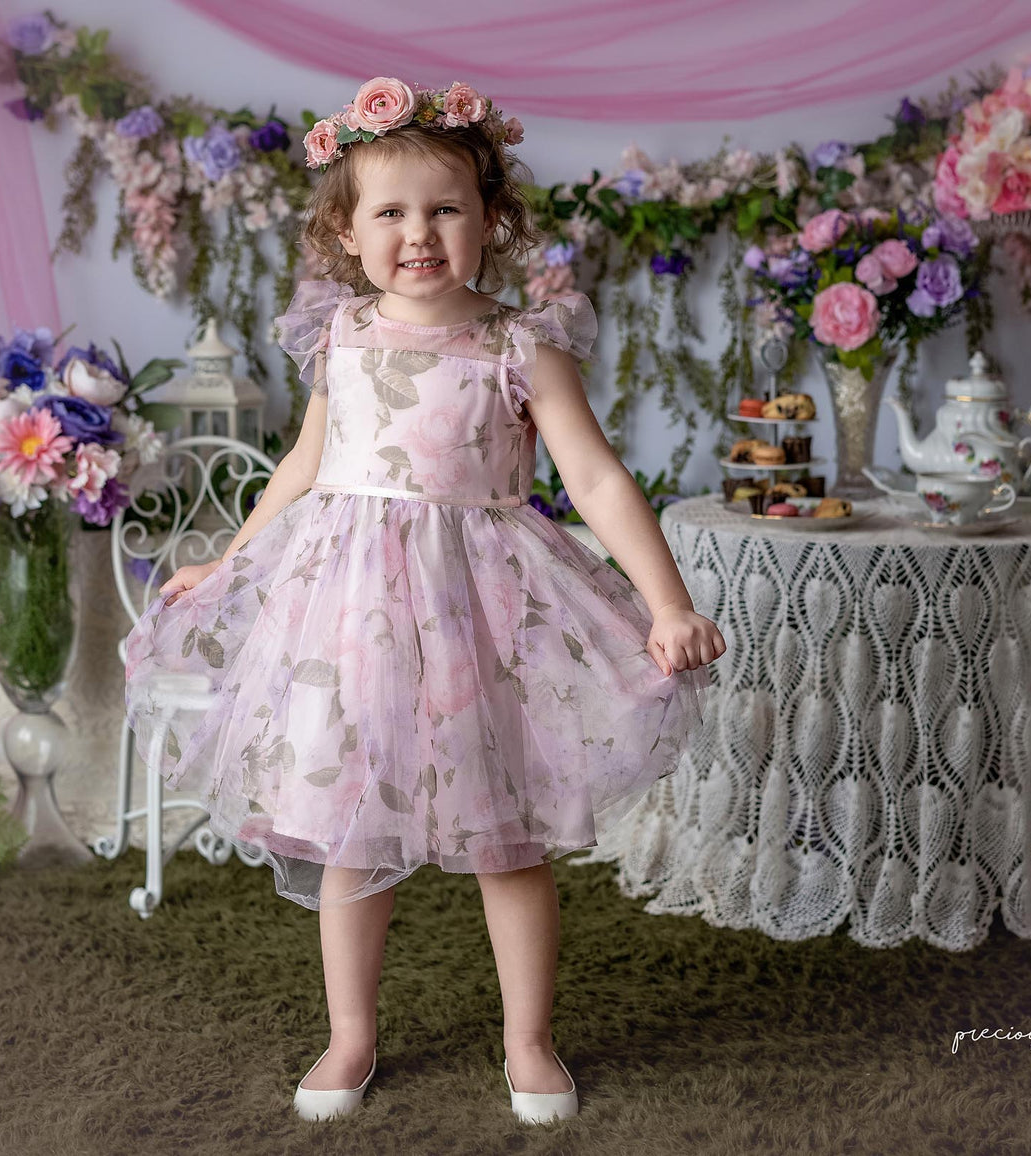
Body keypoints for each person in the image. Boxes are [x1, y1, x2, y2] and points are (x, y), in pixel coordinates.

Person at [123, 76, 722, 1125]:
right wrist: (229, 561)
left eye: (445, 209)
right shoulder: (340, 338)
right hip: (345, 611)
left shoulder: (517, 344)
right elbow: (303, 464)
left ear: (490, 220)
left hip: (479, 609)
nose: (418, 233)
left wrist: (664, 602)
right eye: (389, 213)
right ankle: (350, 1032)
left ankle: (527, 1039)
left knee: (507, 834)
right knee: (352, 824)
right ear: (344, 233)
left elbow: (594, 479)